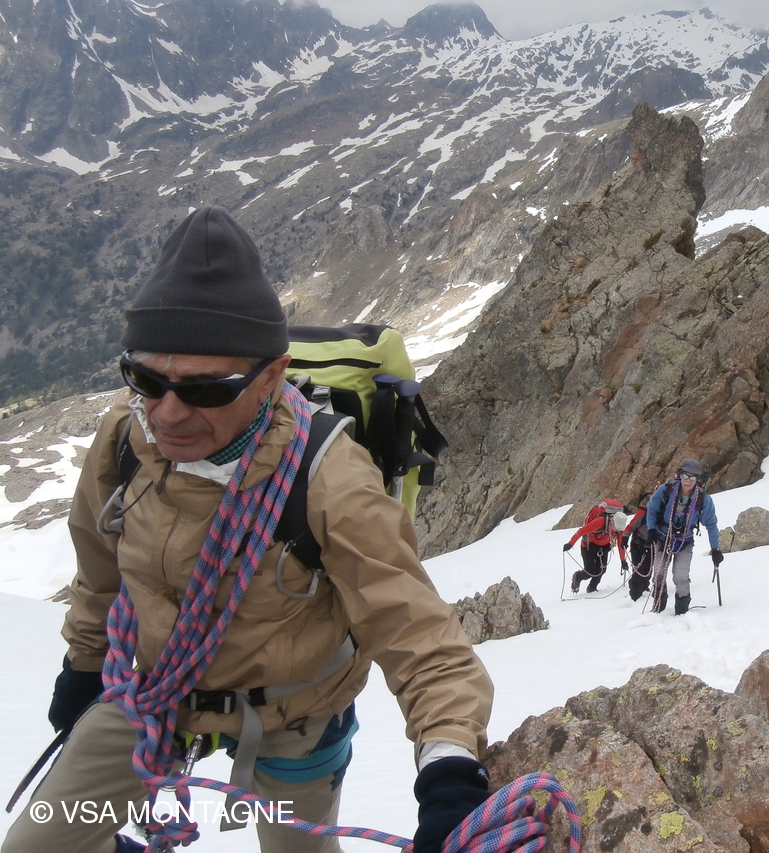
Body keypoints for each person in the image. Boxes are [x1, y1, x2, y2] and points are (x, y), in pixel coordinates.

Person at [2, 207, 494, 853]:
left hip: (295, 711)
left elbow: (419, 637)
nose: (167, 412)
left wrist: (450, 773)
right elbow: (99, 567)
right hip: (156, 690)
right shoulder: (125, 436)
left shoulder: (328, 477)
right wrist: (85, 668)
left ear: (270, 376)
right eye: (146, 378)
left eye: (206, 389)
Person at [646, 458, 723, 615]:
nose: (688, 481)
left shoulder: (703, 499)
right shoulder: (666, 490)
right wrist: (651, 529)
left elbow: (711, 524)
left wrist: (715, 549)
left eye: (692, 477)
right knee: (658, 573)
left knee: (681, 577)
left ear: (697, 479)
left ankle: (682, 610)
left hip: (684, 541)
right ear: (679, 475)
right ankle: (659, 604)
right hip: (662, 537)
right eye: (685, 476)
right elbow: (652, 509)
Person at [562, 499, 626, 593]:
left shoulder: (619, 529)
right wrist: (570, 543)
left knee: (602, 569)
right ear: (613, 521)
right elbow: (582, 531)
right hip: (588, 545)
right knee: (590, 571)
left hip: (604, 547)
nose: (616, 530)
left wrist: (623, 561)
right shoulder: (601, 521)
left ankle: (592, 588)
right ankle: (578, 577)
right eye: (616, 527)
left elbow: (621, 544)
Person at [621, 501, 652, 601]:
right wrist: (625, 537)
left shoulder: (664, 513)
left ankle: (644, 587)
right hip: (638, 545)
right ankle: (635, 594)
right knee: (638, 570)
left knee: (648, 569)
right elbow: (630, 527)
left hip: (652, 546)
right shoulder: (643, 513)